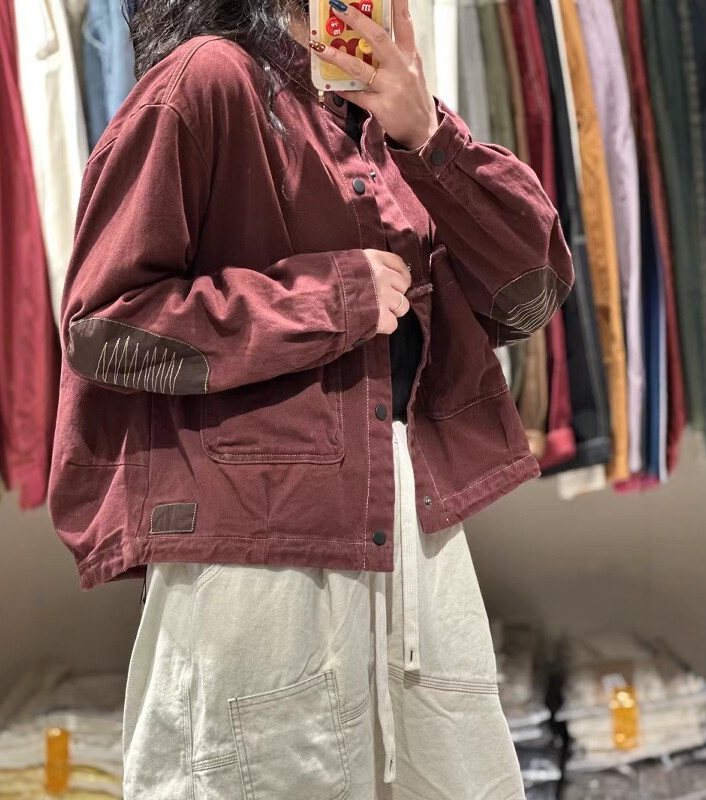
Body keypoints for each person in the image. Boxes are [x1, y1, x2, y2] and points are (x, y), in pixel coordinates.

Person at [49, 0, 573, 796]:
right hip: (262, 563)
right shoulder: (207, 78)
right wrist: (329, 300)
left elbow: (529, 292)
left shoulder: (378, 108)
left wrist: (428, 133)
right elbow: (106, 328)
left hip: (415, 550)